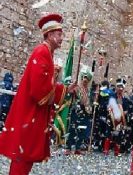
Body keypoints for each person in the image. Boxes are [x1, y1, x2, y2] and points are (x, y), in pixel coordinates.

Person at [0, 13, 77, 175]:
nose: (62, 38)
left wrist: (62, 87)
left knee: (25, 157)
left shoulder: (46, 52)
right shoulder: (42, 52)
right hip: (30, 114)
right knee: (23, 156)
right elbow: (38, 90)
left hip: (33, 114)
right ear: (49, 35)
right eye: (59, 34)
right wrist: (62, 89)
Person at [65, 69, 93, 155]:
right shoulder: (77, 87)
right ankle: (68, 148)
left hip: (85, 112)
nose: (85, 80)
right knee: (72, 129)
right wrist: (72, 88)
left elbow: (89, 101)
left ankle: (77, 147)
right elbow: (69, 93)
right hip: (76, 110)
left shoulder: (88, 90)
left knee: (82, 130)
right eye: (84, 77)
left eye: (87, 78)